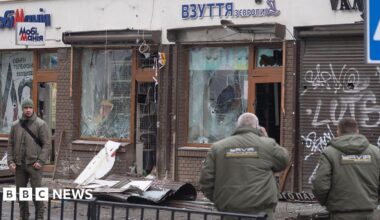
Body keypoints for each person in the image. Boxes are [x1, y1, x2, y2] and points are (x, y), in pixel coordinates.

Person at [199, 112, 289, 220]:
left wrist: (219, 200)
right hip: (261, 213)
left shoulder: (218, 148)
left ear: (237, 126)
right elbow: (284, 160)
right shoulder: (267, 145)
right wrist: (266, 138)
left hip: (229, 212)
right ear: (257, 127)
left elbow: (206, 181)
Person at [312, 118, 380, 220]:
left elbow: (320, 185)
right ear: (357, 131)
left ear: (338, 131)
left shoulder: (329, 153)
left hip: (340, 213)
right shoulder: (376, 152)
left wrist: (327, 203)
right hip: (369, 214)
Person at [7, 98, 51, 220]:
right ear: (23, 109)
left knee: (37, 194)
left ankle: (39, 217)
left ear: (33, 109)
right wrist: (10, 161)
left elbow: (47, 145)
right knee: (21, 194)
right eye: (26, 108)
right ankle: (24, 216)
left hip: (34, 165)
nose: (28, 110)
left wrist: (40, 161)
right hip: (19, 165)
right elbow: (10, 144)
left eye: (30, 107)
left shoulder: (41, 124)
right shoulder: (15, 125)